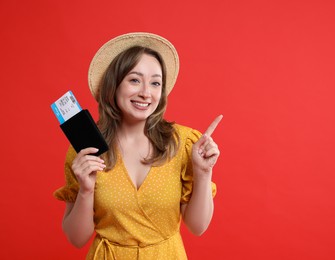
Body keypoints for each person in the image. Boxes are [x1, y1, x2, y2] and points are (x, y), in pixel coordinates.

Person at [54, 32, 222, 259]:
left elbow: (198, 226)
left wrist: (203, 173)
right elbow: (77, 239)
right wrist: (86, 190)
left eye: (155, 83)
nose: (145, 93)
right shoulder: (85, 150)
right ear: (113, 85)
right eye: (134, 80)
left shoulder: (183, 143)